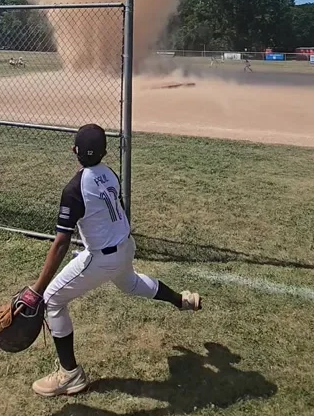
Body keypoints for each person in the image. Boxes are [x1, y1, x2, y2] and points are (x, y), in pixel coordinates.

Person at [29, 124, 202, 398]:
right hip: (126, 245)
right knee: (130, 283)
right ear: (105, 152)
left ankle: (70, 374)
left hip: (103, 258)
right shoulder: (110, 173)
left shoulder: (74, 188)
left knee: (51, 300)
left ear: (73, 151)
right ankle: (182, 300)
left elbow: (61, 243)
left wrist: (36, 290)